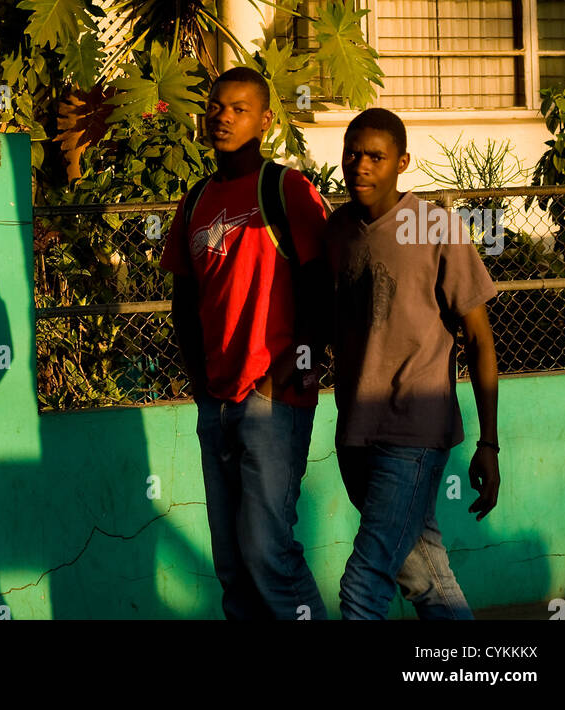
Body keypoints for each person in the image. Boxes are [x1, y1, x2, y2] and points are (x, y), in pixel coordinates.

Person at [159, 66, 331, 620]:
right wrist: (203, 388)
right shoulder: (194, 201)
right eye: (215, 106)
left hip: (274, 403)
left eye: (237, 108)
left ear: (265, 119)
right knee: (233, 569)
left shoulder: (287, 190)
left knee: (268, 554)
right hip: (218, 402)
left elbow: (320, 292)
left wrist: (282, 378)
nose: (222, 116)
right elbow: (184, 302)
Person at [325, 107, 500, 621]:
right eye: (352, 153)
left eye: (375, 157)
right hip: (355, 432)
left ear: (402, 162)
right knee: (425, 578)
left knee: (363, 584)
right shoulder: (337, 231)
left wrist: (488, 443)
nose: (360, 165)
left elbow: (481, 341)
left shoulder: (435, 227)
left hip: (414, 436)